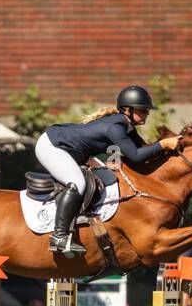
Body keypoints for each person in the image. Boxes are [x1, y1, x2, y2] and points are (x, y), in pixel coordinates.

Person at [34, 86, 181, 256]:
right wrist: (163, 144)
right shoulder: (116, 127)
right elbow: (136, 156)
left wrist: (168, 150)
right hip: (52, 146)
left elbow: (144, 151)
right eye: (143, 109)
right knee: (77, 183)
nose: (147, 113)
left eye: (147, 110)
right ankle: (59, 236)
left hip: (70, 149)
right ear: (127, 110)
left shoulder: (127, 125)